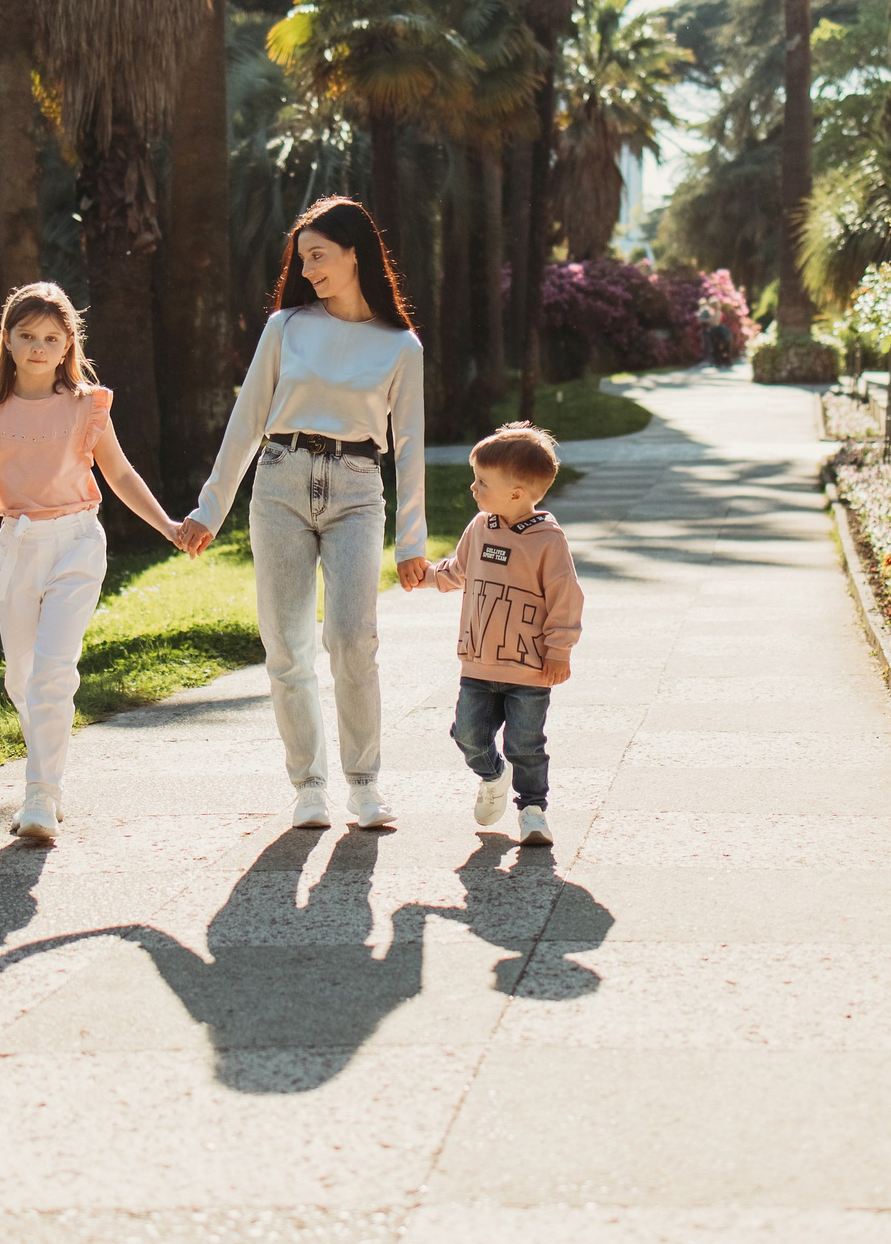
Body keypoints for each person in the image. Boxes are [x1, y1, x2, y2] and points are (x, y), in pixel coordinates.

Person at [174, 198, 430, 831]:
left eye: (319, 255)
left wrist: (411, 544)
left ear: (354, 253)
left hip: (357, 489)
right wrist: (211, 507)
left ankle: (365, 785)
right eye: (302, 258)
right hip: (280, 482)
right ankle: (308, 785)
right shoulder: (286, 326)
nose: (308, 268)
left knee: (351, 639)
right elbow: (248, 419)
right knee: (287, 644)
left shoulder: (401, 345)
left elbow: (412, 447)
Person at [0, 282, 190, 843]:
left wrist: (166, 525)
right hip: (16, 545)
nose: (39, 347)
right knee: (22, 676)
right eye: (27, 336)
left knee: (52, 671)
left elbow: (119, 473)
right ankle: (44, 780)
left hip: (77, 543)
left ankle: (42, 795)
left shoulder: (86, 405)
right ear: (7, 342)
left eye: (51, 337)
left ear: (68, 344)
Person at [427, 422, 584, 847]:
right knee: (468, 734)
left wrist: (559, 651)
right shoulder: (479, 527)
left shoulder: (548, 541)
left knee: (526, 744)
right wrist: (423, 575)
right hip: (478, 662)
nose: (473, 489)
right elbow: (459, 570)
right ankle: (492, 775)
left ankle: (533, 810)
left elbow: (566, 597)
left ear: (516, 493)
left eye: (482, 482)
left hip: (530, 670)